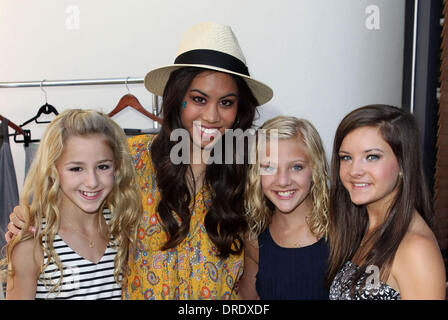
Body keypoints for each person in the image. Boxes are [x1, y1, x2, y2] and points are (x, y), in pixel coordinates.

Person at [6, 22, 273, 300]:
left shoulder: (250, 177)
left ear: (240, 109)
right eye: (198, 99)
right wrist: (26, 217)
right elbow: (75, 188)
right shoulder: (132, 158)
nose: (212, 116)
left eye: (227, 103)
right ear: (177, 97)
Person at [1, 109, 142, 299]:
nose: (92, 181)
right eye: (76, 168)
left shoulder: (122, 227)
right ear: (53, 170)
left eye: (103, 167)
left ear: (117, 167)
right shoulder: (32, 241)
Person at [327, 104, 446, 300]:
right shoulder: (363, 227)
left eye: (372, 157)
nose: (354, 170)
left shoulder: (417, 250)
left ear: (402, 164)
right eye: (346, 157)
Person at [238, 116, 330, 300]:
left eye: (296, 167)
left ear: (315, 169)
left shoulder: (343, 229)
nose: (283, 181)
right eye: (269, 167)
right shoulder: (254, 237)